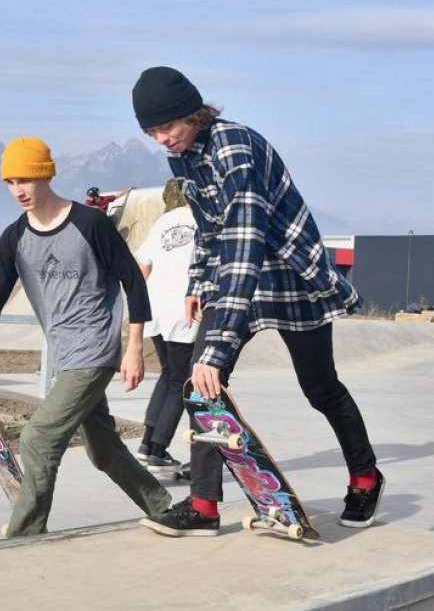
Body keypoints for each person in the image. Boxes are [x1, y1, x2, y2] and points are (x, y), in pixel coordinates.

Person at [130, 66, 383, 537]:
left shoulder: (234, 148)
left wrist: (218, 345)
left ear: (193, 113)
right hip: (239, 274)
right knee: (199, 385)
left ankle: (365, 477)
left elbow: (245, 244)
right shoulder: (183, 157)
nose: (162, 139)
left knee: (319, 386)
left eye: (167, 127)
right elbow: (209, 228)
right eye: (152, 132)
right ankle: (204, 505)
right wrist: (197, 284)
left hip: (289, 276)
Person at [0, 136, 171, 538]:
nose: (18, 191)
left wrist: (133, 349)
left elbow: (133, 282)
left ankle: (26, 532)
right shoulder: (15, 238)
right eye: (10, 182)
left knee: (38, 438)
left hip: (95, 349)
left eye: (25, 180)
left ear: (46, 175)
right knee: (103, 450)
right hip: (64, 355)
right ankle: (165, 509)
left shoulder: (89, 223)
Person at [132, 177, 198, 476]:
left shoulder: (165, 221)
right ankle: (158, 449)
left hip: (155, 309)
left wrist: (142, 304)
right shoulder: (208, 224)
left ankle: (147, 444)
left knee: (169, 375)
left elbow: (142, 265)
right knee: (181, 380)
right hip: (185, 310)